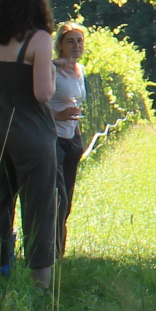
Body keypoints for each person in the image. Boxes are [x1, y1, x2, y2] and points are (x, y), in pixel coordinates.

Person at [0, 0, 61, 288]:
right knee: (39, 205)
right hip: (30, 129)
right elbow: (42, 93)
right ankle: (40, 283)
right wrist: (52, 75)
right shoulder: (39, 39)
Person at [48, 21, 89, 256]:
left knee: (68, 198)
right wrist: (59, 115)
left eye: (79, 41)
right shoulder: (51, 69)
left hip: (71, 139)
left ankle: (59, 252)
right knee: (58, 197)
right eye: (70, 41)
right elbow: (38, 105)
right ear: (60, 45)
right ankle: (51, 252)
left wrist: (75, 132)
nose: (76, 45)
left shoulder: (79, 70)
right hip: (52, 139)